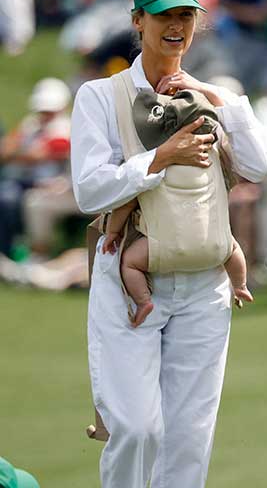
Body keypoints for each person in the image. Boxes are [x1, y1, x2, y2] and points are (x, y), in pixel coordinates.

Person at [70, 0, 267, 487]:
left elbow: (261, 165)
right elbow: (89, 190)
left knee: (188, 443)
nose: (176, 25)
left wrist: (217, 98)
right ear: (137, 20)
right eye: (163, 13)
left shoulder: (208, 94)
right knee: (137, 430)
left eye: (186, 13)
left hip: (205, 282)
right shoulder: (99, 96)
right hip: (128, 280)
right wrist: (161, 157)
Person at [98, 90, 253, 327]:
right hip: (215, 247)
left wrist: (112, 233)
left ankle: (143, 301)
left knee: (129, 262)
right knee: (233, 248)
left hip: (164, 248)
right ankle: (241, 285)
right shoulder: (214, 160)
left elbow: (127, 202)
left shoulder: (156, 162)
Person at [0, 78, 73, 259]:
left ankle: (24, 252)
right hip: (24, 181)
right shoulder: (31, 124)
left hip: (50, 186)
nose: (45, 114)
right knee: (6, 195)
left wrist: (18, 154)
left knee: (16, 200)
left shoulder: (65, 129)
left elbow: (38, 154)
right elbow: (5, 150)